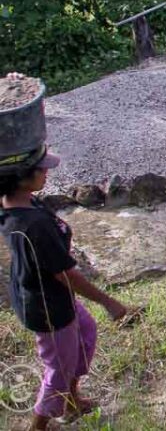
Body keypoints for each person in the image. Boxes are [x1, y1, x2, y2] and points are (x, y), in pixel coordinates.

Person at [1, 147, 130, 430]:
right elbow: (66, 275)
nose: (47, 172)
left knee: (86, 333)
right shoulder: (33, 224)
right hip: (47, 306)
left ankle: (72, 401)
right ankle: (39, 425)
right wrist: (109, 302)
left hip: (49, 295)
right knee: (59, 369)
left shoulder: (19, 202)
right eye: (41, 168)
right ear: (21, 177)